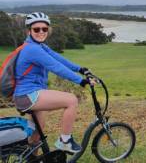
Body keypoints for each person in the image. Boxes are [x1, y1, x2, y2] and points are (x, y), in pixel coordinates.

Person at [13, 12, 92, 153]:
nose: (41, 32)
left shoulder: (39, 46)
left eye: (44, 29)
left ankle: (31, 158)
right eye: (36, 29)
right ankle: (65, 141)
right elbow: (55, 67)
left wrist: (80, 68)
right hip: (28, 95)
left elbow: (58, 58)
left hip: (28, 95)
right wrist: (81, 81)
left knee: (39, 129)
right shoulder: (32, 49)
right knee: (72, 100)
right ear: (29, 31)